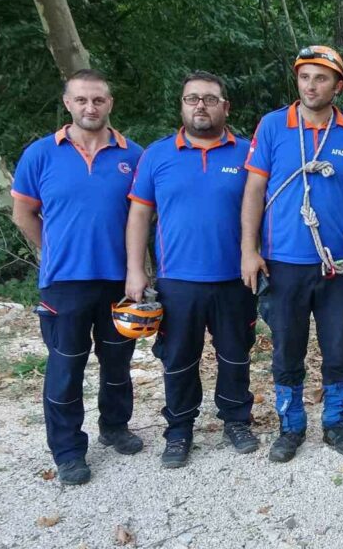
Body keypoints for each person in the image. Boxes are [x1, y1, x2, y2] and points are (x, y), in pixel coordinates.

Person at [241, 46, 343, 463]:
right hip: (283, 262)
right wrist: (249, 250)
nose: (311, 85)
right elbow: (253, 190)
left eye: (321, 78)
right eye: (305, 77)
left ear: (338, 86)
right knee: (287, 348)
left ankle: (337, 422)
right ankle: (291, 426)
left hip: (337, 264)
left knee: (338, 348)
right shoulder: (272, 126)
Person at [11, 69, 145, 485]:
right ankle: (68, 451)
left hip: (119, 280)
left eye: (98, 100)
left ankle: (115, 427)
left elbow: (144, 216)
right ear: (67, 103)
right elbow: (23, 213)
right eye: (82, 100)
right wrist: (52, 251)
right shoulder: (40, 154)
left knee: (118, 363)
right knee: (66, 367)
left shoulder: (133, 155)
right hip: (63, 283)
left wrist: (140, 271)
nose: (90, 107)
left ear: (110, 104)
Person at [126, 71, 257, 469]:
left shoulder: (249, 153)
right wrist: (135, 269)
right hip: (177, 280)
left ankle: (236, 420)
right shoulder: (157, 155)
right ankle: (179, 429)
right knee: (178, 358)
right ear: (182, 105)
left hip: (235, 278)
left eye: (210, 99)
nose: (201, 105)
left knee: (235, 355)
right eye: (192, 98)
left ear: (225, 107)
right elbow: (139, 215)